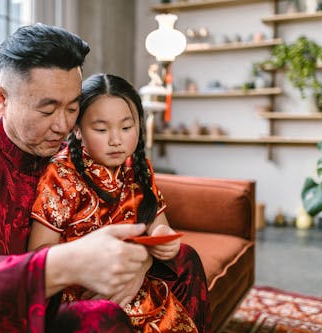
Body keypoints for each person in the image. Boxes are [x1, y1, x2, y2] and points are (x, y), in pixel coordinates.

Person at [0, 23, 152, 332]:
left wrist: (139, 260)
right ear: (1, 99)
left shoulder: (74, 156)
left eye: (73, 108)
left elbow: (125, 214)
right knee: (101, 319)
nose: (63, 126)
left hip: (65, 305)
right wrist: (66, 263)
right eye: (47, 110)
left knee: (182, 261)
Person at [29, 73, 210, 333]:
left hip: (132, 273)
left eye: (126, 127)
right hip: (83, 289)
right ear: (77, 130)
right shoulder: (62, 175)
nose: (116, 140)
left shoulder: (138, 168)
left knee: (187, 256)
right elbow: (37, 253)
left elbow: (160, 228)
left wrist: (163, 242)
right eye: (101, 130)